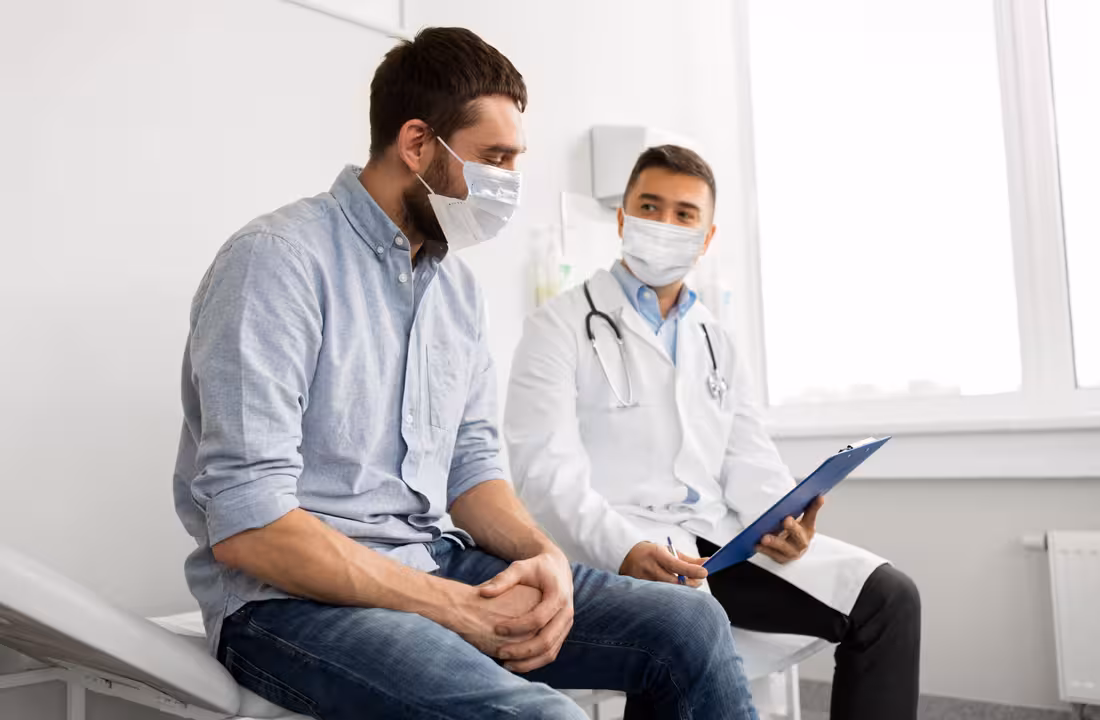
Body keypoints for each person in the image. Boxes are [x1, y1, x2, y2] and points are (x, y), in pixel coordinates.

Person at [172, 29, 759, 720]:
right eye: (494, 158)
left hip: (432, 560)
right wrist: (453, 607)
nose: (508, 182)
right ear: (417, 143)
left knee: (689, 624)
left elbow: (471, 469)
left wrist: (543, 556)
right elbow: (250, 525)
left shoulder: (455, 291)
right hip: (287, 605)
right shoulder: (277, 262)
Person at [505, 144, 922, 720]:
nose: (664, 224)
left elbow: (747, 455)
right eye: (649, 207)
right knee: (679, 629)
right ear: (622, 219)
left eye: (684, 214)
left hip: (716, 542)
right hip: (617, 546)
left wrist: (786, 519)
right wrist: (625, 549)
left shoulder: (713, 336)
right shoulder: (557, 327)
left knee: (889, 598)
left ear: (706, 237)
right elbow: (544, 476)